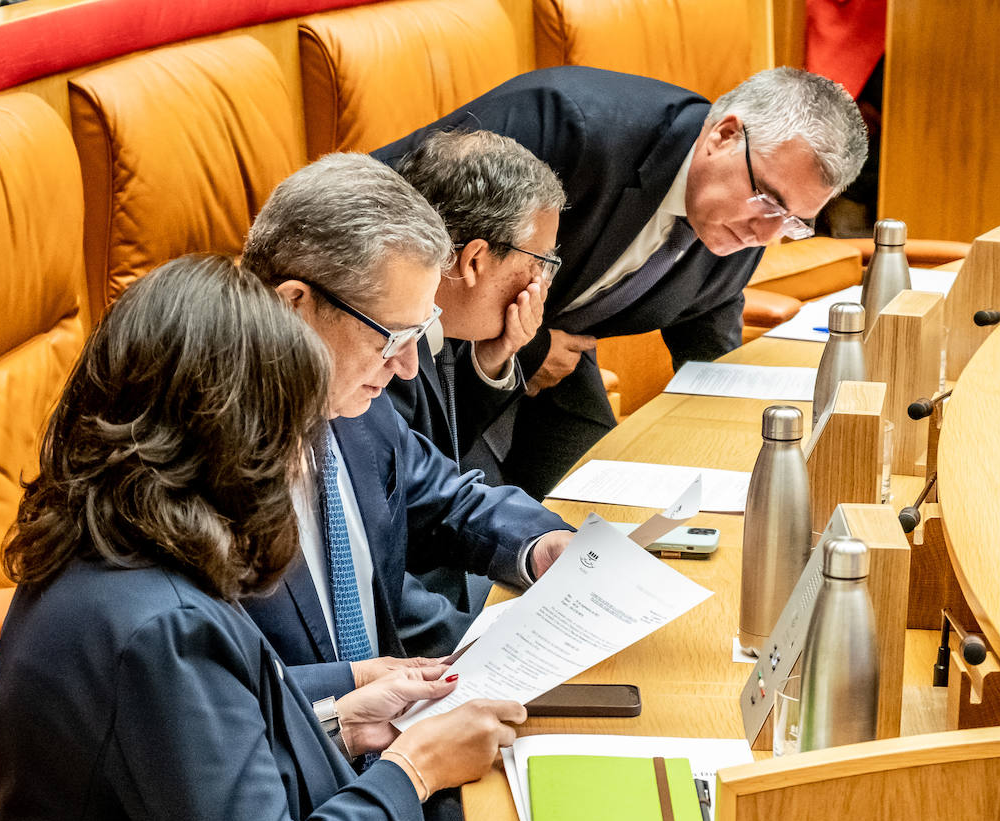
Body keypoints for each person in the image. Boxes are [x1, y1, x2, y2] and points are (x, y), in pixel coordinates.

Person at [0, 254, 538, 821]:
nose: (300, 460)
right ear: (227, 437)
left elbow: (182, 755)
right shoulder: (161, 624)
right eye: (291, 430)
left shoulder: (109, 544)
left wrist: (338, 715)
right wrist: (414, 769)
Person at [376, 65, 869, 498]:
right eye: (768, 200)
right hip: (416, 360)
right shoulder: (570, 124)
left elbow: (708, 314)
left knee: (596, 513)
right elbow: (371, 211)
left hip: (553, 363)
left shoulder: (744, 220)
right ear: (724, 135)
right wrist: (524, 350)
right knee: (464, 540)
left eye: (793, 221)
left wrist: (748, 447)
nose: (766, 233)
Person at [238, 152, 575, 672]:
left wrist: (537, 544)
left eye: (420, 333)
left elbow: (445, 499)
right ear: (294, 305)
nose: (408, 367)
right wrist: (352, 694)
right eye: (392, 336)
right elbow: (221, 692)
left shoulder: (356, 408)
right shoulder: (200, 456)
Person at [387, 128, 567, 655]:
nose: (543, 283)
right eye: (541, 262)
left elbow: (431, 473)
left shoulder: (444, 317)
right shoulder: (376, 341)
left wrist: (537, 543)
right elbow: (379, 546)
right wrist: (478, 644)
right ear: (473, 261)